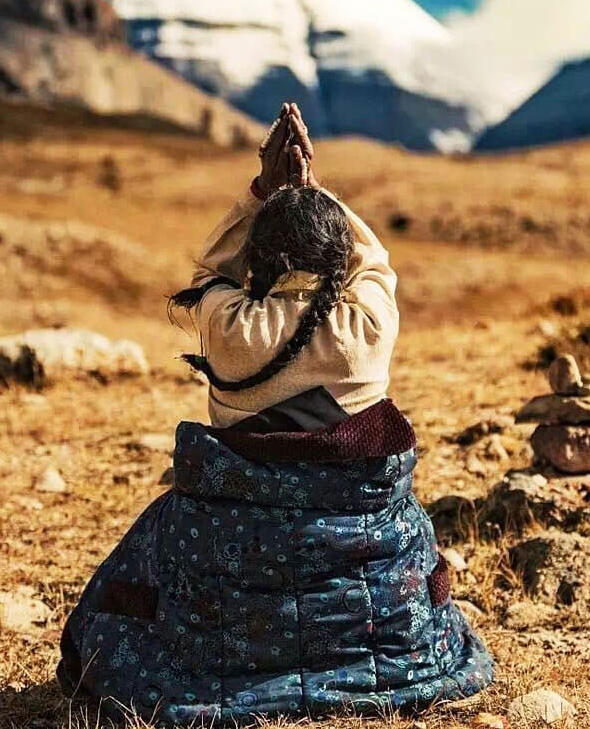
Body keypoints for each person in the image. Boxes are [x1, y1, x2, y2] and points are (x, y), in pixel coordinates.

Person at [58, 103, 493, 725]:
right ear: (337, 263)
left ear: (258, 265)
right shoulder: (367, 326)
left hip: (237, 551)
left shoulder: (232, 326)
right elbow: (374, 261)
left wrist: (266, 191)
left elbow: (208, 269)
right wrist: (311, 193)